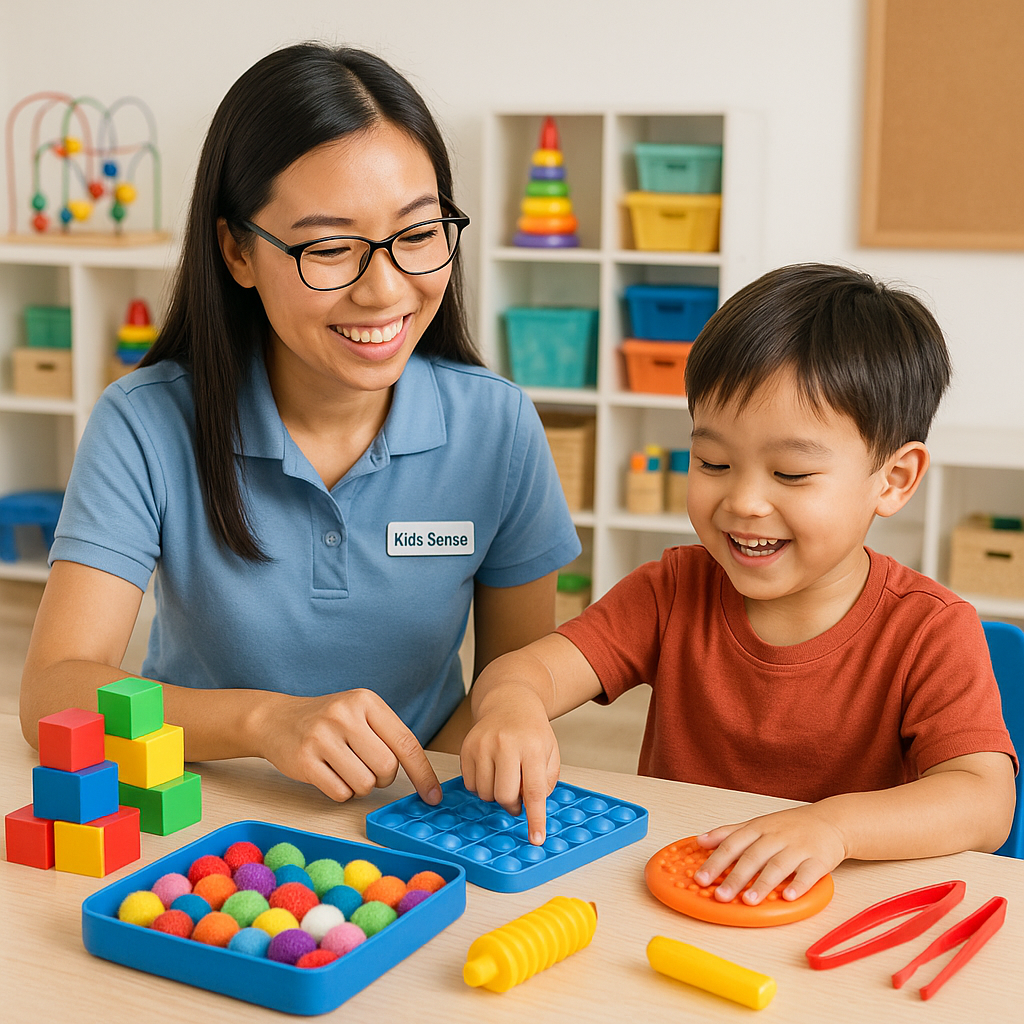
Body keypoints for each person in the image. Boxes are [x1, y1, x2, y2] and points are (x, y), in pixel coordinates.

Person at [19, 43, 580, 807]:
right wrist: (264, 722)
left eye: (417, 234)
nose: (384, 290)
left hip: (413, 816)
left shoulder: (499, 427)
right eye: (328, 247)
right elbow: (52, 693)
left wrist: (422, 799)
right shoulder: (145, 424)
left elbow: (514, 690)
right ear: (237, 251)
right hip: (199, 806)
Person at [461, 263, 1017, 903]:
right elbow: (522, 672)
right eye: (713, 462)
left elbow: (983, 799)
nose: (744, 501)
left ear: (892, 481)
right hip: (682, 892)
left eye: (790, 474)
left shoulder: (930, 628)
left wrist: (832, 826)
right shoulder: (670, 591)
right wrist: (511, 709)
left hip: (840, 913)